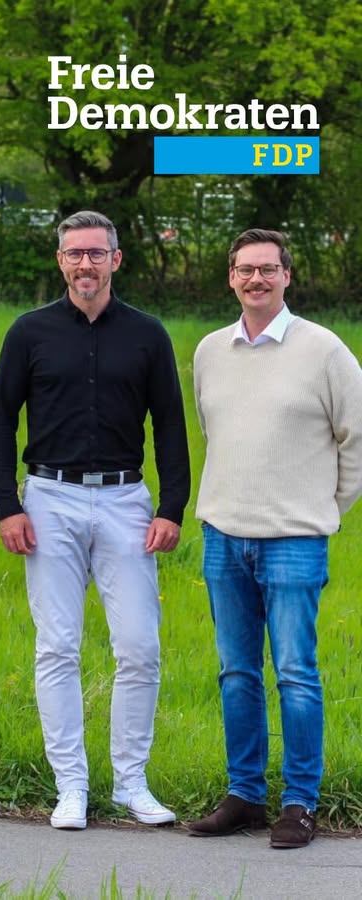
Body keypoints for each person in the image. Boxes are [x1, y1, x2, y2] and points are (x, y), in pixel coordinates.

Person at [0, 210, 191, 830]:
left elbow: (170, 423)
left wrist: (172, 507)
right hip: (50, 498)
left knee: (140, 647)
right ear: (60, 261)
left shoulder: (148, 335)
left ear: (115, 260)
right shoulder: (30, 332)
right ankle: (70, 786)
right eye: (74, 253)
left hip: (126, 500)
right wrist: (7, 505)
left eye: (96, 253)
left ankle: (131, 783)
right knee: (57, 647)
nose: (85, 264)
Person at [189, 229, 362, 849]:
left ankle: (299, 803)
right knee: (236, 672)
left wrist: (322, 510)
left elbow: (356, 439)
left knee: (295, 673)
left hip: (294, 540)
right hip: (223, 536)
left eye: (267, 268)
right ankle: (244, 797)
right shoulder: (210, 351)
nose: (255, 279)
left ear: (287, 275)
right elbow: (214, 430)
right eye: (245, 269)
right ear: (231, 278)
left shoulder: (325, 350)